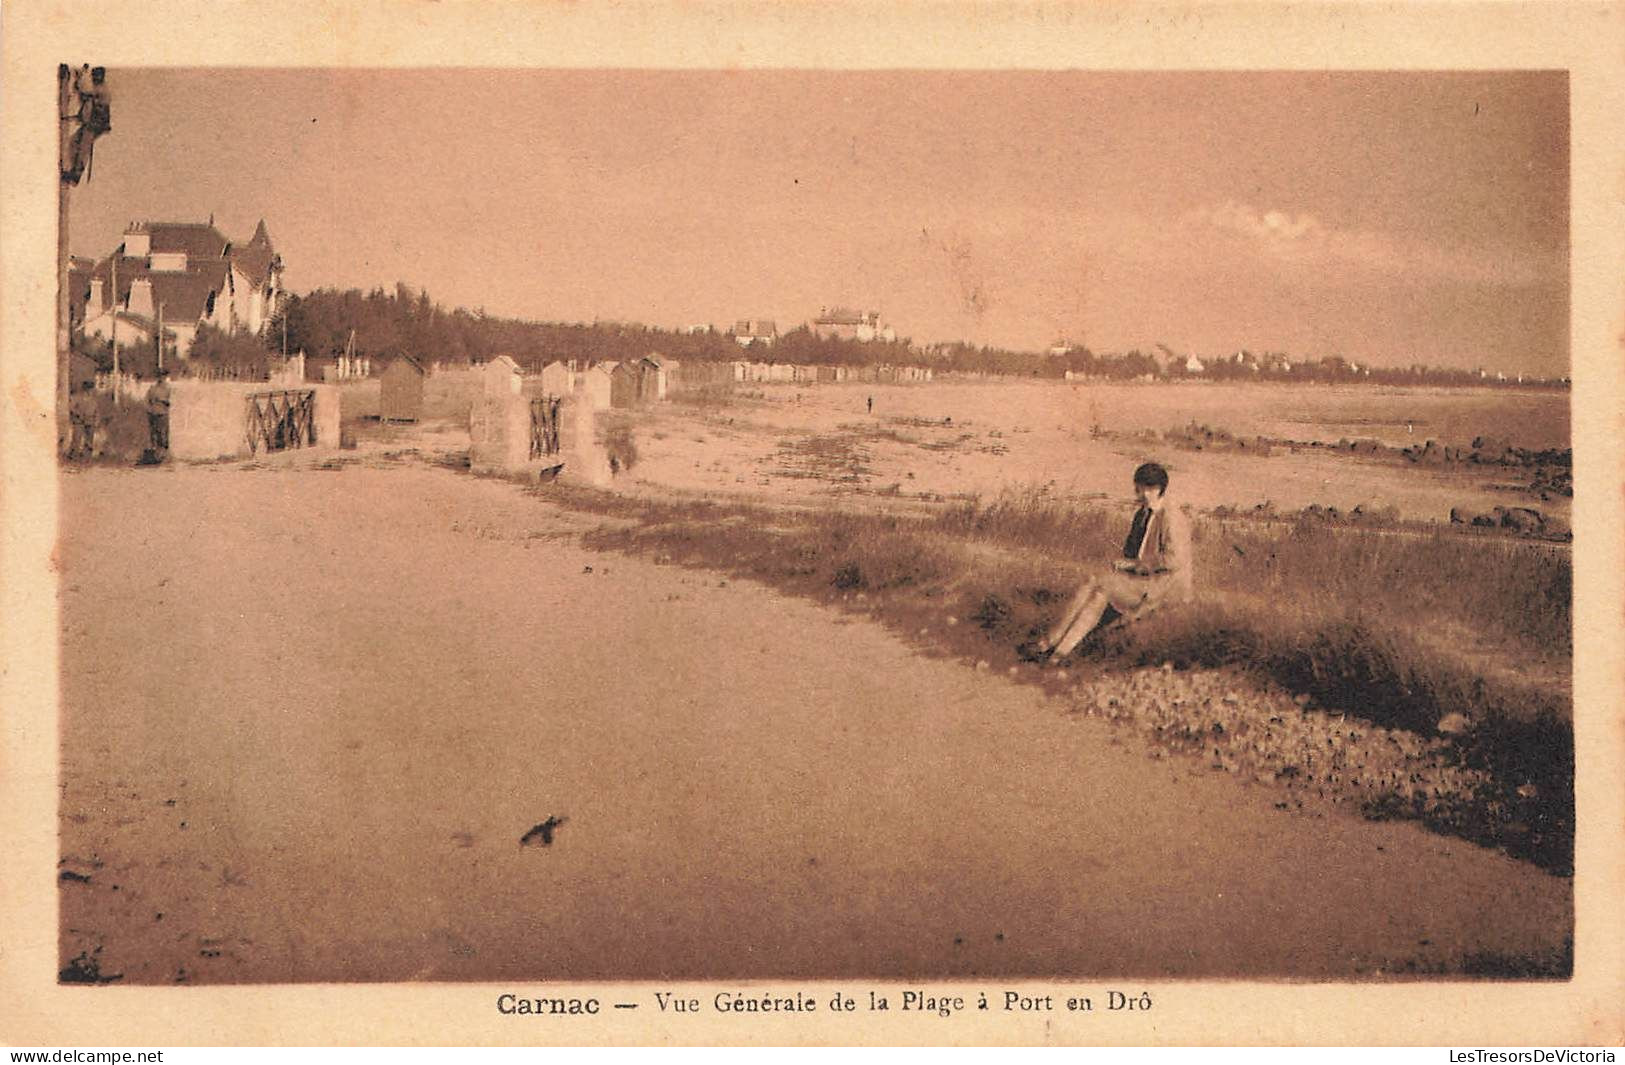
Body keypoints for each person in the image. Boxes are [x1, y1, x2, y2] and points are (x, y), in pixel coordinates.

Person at [1032, 462, 1193, 659]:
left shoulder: (1172, 517)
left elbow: (1174, 560)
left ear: (1155, 489)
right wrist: (1126, 566)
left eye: (1140, 488)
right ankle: (1057, 651)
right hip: (1142, 581)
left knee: (1102, 588)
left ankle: (1051, 645)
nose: (1137, 493)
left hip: (1164, 587)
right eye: (1137, 487)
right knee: (1094, 585)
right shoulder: (1142, 514)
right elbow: (1131, 552)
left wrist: (1135, 565)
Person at [67, 380, 101, 460]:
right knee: (76, 439)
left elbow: (96, 411)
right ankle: (73, 455)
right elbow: (71, 408)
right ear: (84, 389)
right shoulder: (77, 397)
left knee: (89, 440)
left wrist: (96, 420)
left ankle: (87, 456)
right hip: (79, 422)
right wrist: (78, 414)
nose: (90, 391)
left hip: (90, 421)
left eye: (91, 389)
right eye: (88, 389)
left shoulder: (93, 400)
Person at [145, 369, 172, 455]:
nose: (161, 378)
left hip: (162, 414)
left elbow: (170, 401)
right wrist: (149, 409)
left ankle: (164, 451)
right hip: (153, 413)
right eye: (159, 376)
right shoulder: (152, 388)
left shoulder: (168, 388)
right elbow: (147, 400)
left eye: (163, 376)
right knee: (153, 433)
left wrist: (161, 400)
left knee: (163, 433)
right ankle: (154, 450)